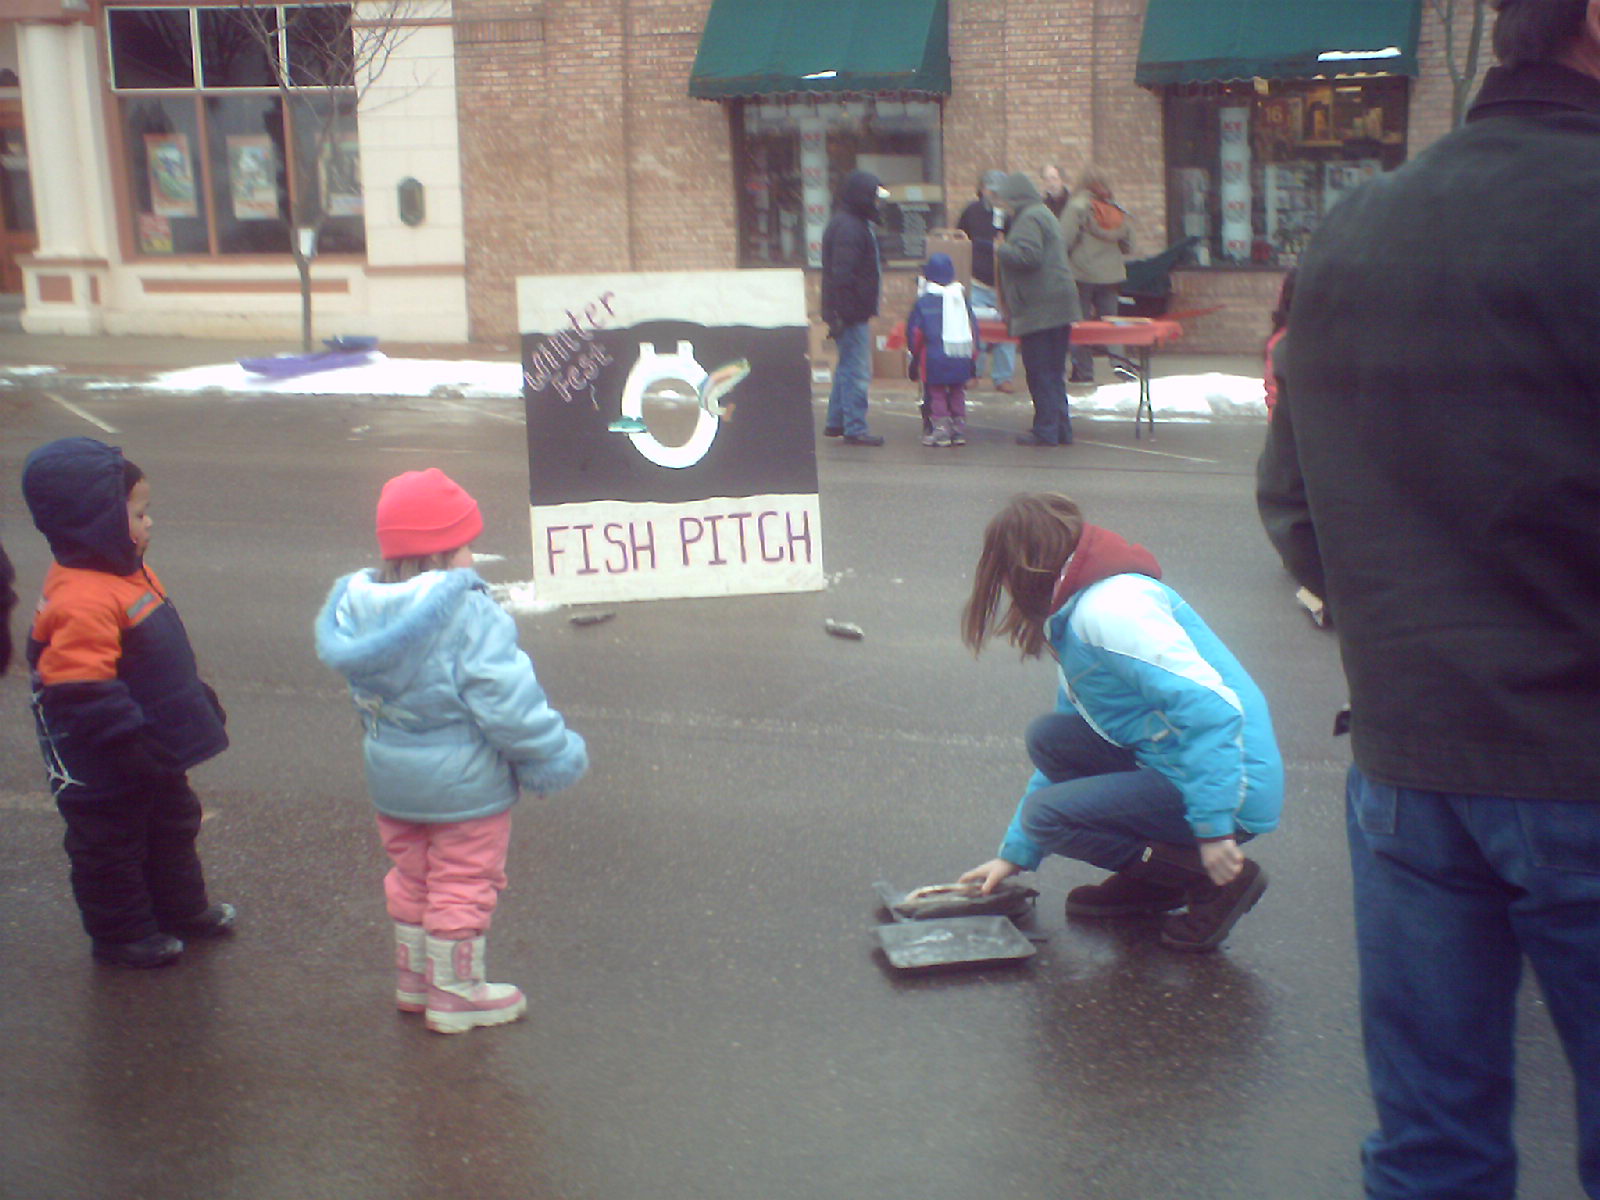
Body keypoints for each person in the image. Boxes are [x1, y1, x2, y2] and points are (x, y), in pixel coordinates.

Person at [1255, 1, 1600, 1193]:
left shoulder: (1352, 225)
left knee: (1430, 1152)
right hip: (1577, 768)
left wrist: (1405, 640)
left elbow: (1293, 502)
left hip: (1406, 777)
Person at [315, 468, 588, 1035]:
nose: (473, 557)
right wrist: (552, 753)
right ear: (443, 551)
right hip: (464, 785)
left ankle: (415, 981)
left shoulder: (360, 611)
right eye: (466, 544)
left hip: (391, 778)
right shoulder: (467, 614)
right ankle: (457, 993)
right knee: (464, 881)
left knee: (413, 877)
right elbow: (506, 701)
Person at [957, 494, 1282, 952]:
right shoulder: (1073, 617)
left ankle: (1214, 880)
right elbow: (1060, 758)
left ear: (1024, 570)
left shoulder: (1111, 611)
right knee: (1050, 739)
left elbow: (1213, 712)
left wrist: (1213, 831)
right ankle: (1157, 880)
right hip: (1178, 762)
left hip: (1233, 784)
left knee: (1047, 816)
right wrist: (1013, 857)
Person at [20, 437, 234, 969]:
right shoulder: (82, 597)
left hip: (148, 747)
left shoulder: (125, 572)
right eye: (138, 513)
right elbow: (81, 690)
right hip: (108, 759)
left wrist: (194, 701)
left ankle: (180, 910)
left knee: (172, 824)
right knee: (110, 846)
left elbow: (157, 656)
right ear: (93, 519)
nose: (149, 523)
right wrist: (129, 743)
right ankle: (121, 935)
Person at [993, 172, 1082, 446]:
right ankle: (1060, 428)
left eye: (1004, 199)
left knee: (1040, 370)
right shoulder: (1042, 213)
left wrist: (1002, 248)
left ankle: (1045, 430)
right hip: (1057, 304)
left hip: (1041, 309)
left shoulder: (1029, 218)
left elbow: (1028, 256)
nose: (1002, 205)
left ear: (1015, 197)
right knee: (1054, 372)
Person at [820, 168, 886, 447]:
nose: (878, 203)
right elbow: (842, 274)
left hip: (847, 310)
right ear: (863, 197)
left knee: (847, 366)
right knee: (857, 370)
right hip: (851, 312)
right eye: (874, 197)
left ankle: (837, 421)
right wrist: (844, 313)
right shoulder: (850, 228)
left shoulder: (848, 223)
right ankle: (855, 427)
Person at [1060, 165, 1133, 385]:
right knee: (1111, 322)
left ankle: (1084, 372)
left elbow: (1063, 239)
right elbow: (1129, 244)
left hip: (1082, 274)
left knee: (1079, 323)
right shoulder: (1114, 207)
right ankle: (1121, 366)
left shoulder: (1077, 206)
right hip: (1111, 275)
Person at [905, 251, 979, 447]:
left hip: (934, 358)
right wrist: (973, 356)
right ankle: (958, 428)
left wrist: (915, 352)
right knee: (957, 391)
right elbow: (974, 330)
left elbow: (915, 333)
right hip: (960, 356)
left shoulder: (924, 301)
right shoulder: (961, 298)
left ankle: (941, 429)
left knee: (937, 392)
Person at [954, 170, 1018, 394]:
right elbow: (959, 239)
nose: (994, 195)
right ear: (982, 189)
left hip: (1001, 281)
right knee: (975, 329)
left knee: (1006, 330)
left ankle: (1003, 376)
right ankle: (973, 372)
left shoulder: (1007, 215)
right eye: (991, 190)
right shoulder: (971, 211)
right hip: (977, 279)